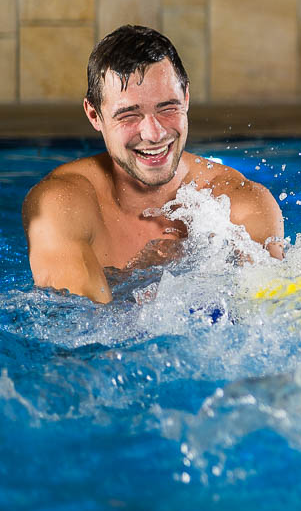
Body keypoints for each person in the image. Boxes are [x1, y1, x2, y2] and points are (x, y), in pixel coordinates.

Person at [23, 24, 284, 303]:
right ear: (94, 115)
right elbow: (84, 331)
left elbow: (269, 322)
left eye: (167, 108)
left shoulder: (240, 207)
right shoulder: (61, 205)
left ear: (186, 98)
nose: (154, 133)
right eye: (129, 115)